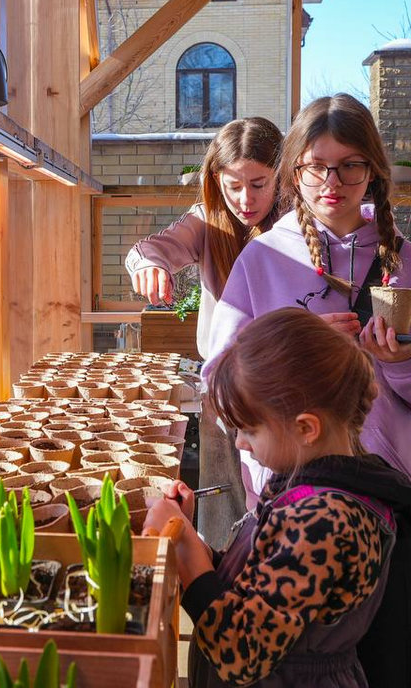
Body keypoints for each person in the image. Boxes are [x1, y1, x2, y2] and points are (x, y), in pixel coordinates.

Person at [210, 94, 411, 688]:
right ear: (294, 170)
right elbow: (220, 380)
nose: (333, 181)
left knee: (387, 663)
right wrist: (294, 347)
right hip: (293, 505)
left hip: (387, 500)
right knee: (296, 663)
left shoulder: (406, 262)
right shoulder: (265, 258)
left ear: (373, 169)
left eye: (350, 164)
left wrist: (403, 364)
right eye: (316, 165)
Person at [144, 307, 411, 688]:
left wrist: (192, 563)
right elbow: (256, 587)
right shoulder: (306, 492)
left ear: (306, 428)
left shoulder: (326, 520)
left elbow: (241, 650)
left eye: (249, 431)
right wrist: (191, 540)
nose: (241, 444)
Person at [126, 116, 282, 547]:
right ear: (215, 179)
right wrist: (148, 266)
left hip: (283, 389)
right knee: (224, 500)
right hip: (222, 389)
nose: (245, 198)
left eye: (258, 183)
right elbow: (152, 248)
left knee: (275, 503)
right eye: (233, 184)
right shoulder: (207, 221)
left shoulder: (294, 228)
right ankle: (217, 582)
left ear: (281, 177)